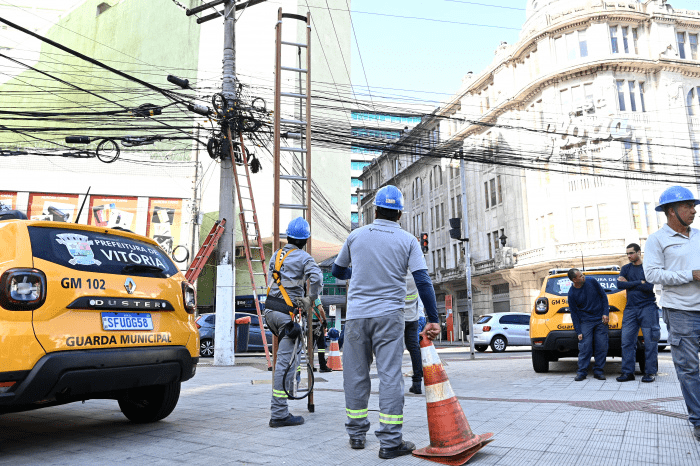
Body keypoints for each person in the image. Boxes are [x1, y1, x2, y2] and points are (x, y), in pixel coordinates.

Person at [332, 185, 440, 460]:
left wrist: (358, 271)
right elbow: (423, 281)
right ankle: (390, 442)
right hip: (390, 317)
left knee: (355, 376)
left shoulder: (356, 236)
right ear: (400, 213)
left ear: (375, 210)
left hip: (356, 316)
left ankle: (356, 435)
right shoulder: (408, 241)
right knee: (390, 375)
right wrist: (433, 319)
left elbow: (337, 270)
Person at [644, 185, 700, 441]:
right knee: (688, 368)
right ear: (671, 211)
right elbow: (652, 274)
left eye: (694, 206)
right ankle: (699, 420)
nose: (693, 210)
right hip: (680, 312)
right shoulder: (657, 240)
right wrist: (690, 275)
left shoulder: (699, 235)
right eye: (688, 206)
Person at [263, 217, 323, 428]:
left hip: (270, 311)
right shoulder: (304, 258)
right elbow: (317, 278)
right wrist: (309, 299)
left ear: (287, 236)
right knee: (283, 362)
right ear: (305, 239)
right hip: (285, 315)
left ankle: (288, 392)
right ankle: (279, 413)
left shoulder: (275, 256)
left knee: (290, 358)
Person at [616, 243, 659, 383]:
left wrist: (630, 282)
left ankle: (650, 372)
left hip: (648, 307)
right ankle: (628, 373)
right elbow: (620, 285)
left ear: (639, 252)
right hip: (630, 309)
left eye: (631, 253)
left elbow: (649, 286)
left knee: (650, 341)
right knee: (627, 341)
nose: (629, 256)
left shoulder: (648, 268)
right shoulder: (625, 268)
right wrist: (638, 282)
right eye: (627, 253)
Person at [567, 268, 610, 381]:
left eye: (582, 274)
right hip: (586, 321)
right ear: (574, 280)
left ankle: (599, 371)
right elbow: (574, 314)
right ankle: (582, 372)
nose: (583, 276)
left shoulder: (592, 281)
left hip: (600, 319)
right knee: (585, 347)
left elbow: (603, 297)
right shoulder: (571, 294)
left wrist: (606, 313)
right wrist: (578, 331)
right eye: (580, 276)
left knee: (602, 346)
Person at [403, 272, 423, 395]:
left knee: (394, 349)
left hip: (398, 317)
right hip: (414, 317)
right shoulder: (416, 273)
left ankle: (393, 383)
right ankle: (417, 384)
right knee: (414, 348)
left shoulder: (395, 268)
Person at [312, 302, 332, 373]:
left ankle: (311, 366)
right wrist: (325, 320)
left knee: (310, 347)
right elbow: (321, 310)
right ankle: (322, 367)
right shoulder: (316, 299)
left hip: (308, 325)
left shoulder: (305, 297)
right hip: (317, 325)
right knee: (321, 347)